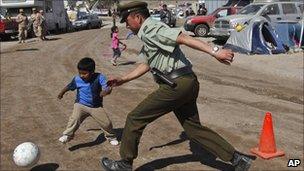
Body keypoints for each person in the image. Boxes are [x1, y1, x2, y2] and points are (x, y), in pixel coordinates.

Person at [100, 1, 257, 171]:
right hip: (186, 82)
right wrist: (123, 79)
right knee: (193, 129)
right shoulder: (148, 34)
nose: (126, 25)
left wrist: (215, 51)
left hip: (175, 86)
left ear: (137, 17)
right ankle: (237, 160)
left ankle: (124, 164)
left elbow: (182, 37)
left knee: (134, 118)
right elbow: (147, 64)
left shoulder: (151, 28)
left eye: (127, 20)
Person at [57, 57, 119, 146]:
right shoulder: (77, 79)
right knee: (74, 119)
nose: (82, 75)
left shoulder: (99, 77)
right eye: (80, 73)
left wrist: (106, 91)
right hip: (81, 104)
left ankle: (111, 137)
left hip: (95, 106)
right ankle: (67, 135)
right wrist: (61, 93)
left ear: (92, 72)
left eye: (84, 73)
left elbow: (107, 87)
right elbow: (69, 86)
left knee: (106, 123)